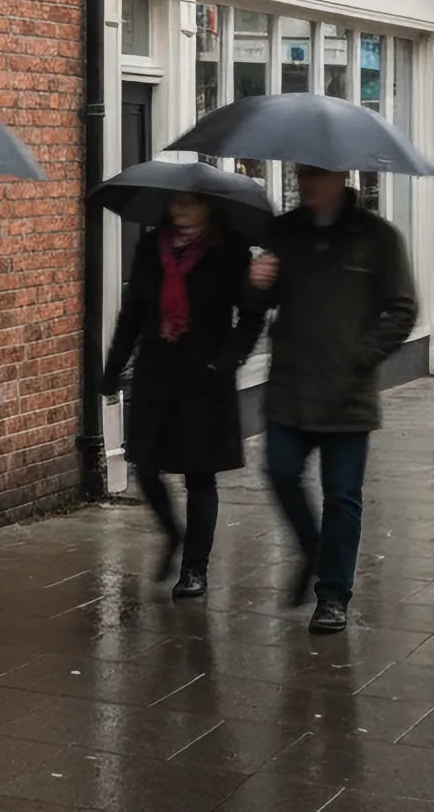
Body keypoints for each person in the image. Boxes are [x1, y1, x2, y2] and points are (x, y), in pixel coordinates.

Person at [249, 165, 417, 637]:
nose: (306, 181)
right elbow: (258, 304)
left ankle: (333, 595)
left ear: (341, 176)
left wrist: (356, 357)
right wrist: (257, 283)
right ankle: (313, 549)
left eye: (316, 174)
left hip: (348, 392)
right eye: (302, 172)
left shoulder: (378, 237)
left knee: (343, 496)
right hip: (291, 386)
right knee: (280, 472)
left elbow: (402, 310)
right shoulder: (284, 232)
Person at [99, 192, 263, 601]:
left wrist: (226, 362)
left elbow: (252, 315)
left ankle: (194, 569)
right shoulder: (151, 247)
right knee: (145, 466)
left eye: (190, 202)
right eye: (174, 202)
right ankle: (174, 534)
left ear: (209, 207)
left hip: (205, 376)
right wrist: (113, 367)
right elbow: (134, 312)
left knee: (199, 475)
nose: (181, 209)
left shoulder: (230, 250)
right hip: (157, 371)